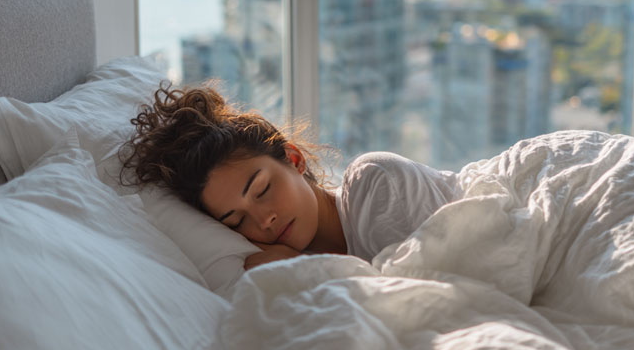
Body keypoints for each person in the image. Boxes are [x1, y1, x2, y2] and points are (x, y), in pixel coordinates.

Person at [120, 83, 460, 270]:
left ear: (294, 159)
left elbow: (440, 288)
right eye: (237, 220)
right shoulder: (279, 269)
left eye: (262, 189)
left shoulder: (374, 183)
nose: (263, 220)